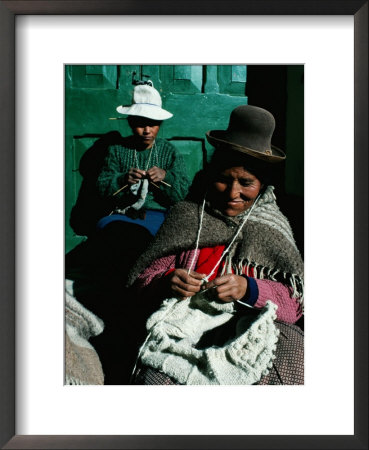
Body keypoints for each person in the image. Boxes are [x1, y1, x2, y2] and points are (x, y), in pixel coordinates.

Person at [126, 104, 304, 385]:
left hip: (252, 330)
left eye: (246, 182)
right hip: (187, 326)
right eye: (223, 180)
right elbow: (141, 282)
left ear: (263, 185)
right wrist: (166, 281)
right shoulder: (188, 215)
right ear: (211, 176)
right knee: (156, 378)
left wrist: (250, 288)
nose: (234, 193)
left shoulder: (273, 227)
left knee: (293, 362)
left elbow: (294, 306)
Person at [96, 80, 190, 237]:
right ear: (131, 123)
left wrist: (166, 177)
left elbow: (183, 194)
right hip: (123, 214)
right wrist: (122, 179)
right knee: (110, 232)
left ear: (160, 124)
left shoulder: (169, 151)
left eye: (153, 124)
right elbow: (102, 189)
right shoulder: (118, 150)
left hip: (160, 215)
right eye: (141, 124)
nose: (147, 130)